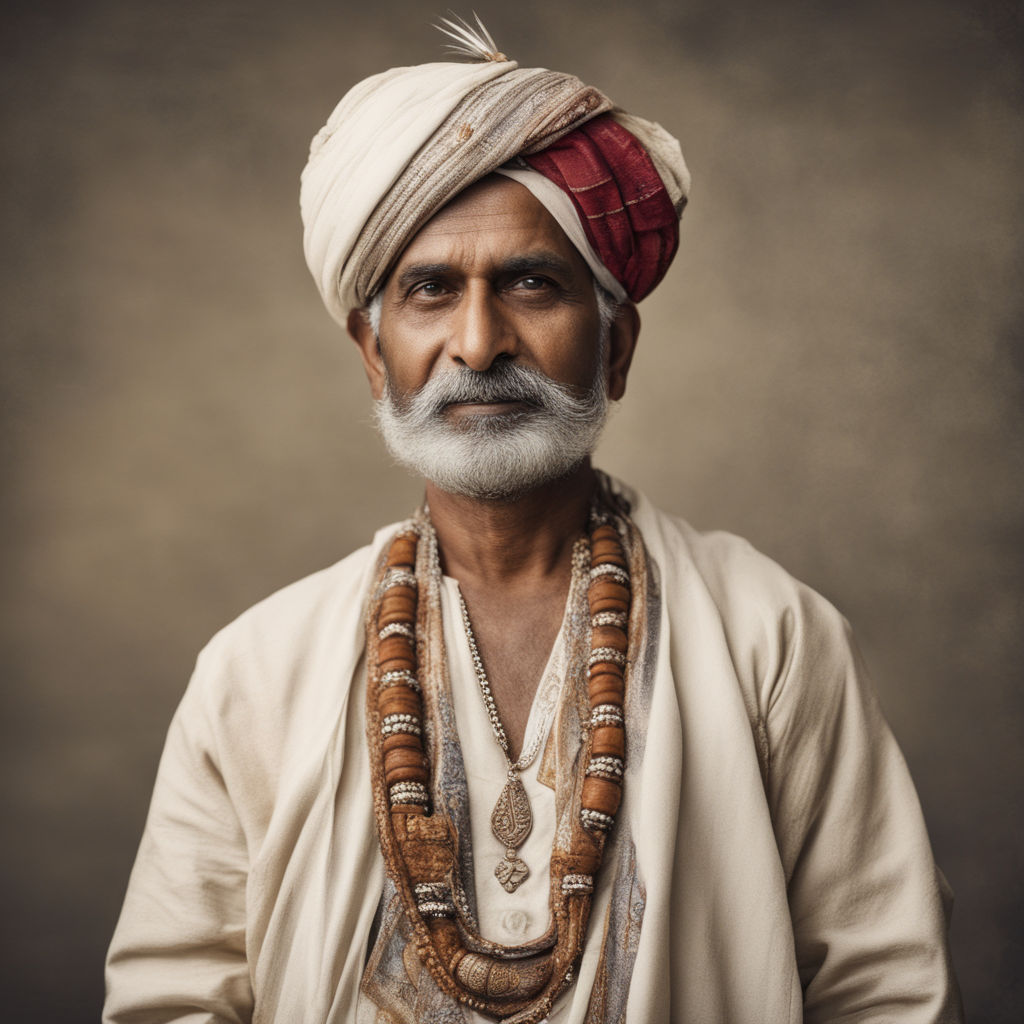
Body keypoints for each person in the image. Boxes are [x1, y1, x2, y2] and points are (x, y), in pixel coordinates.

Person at [104, 17, 963, 1024]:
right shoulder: (258, 670)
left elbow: (887, 993)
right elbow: (172, 1001)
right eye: (430, 290)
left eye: (531, 282)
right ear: (374, 356)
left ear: (617, 344)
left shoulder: (771, 637)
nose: (479, 343)